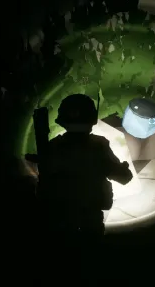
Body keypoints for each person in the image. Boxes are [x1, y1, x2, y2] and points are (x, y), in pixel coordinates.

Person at [37, 94, 133, 249]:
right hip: (89, 218)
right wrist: (123, 169)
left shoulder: (54, 146)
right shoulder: (98, 146)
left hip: (61, 219)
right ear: (91, 120)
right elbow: (123, 177)